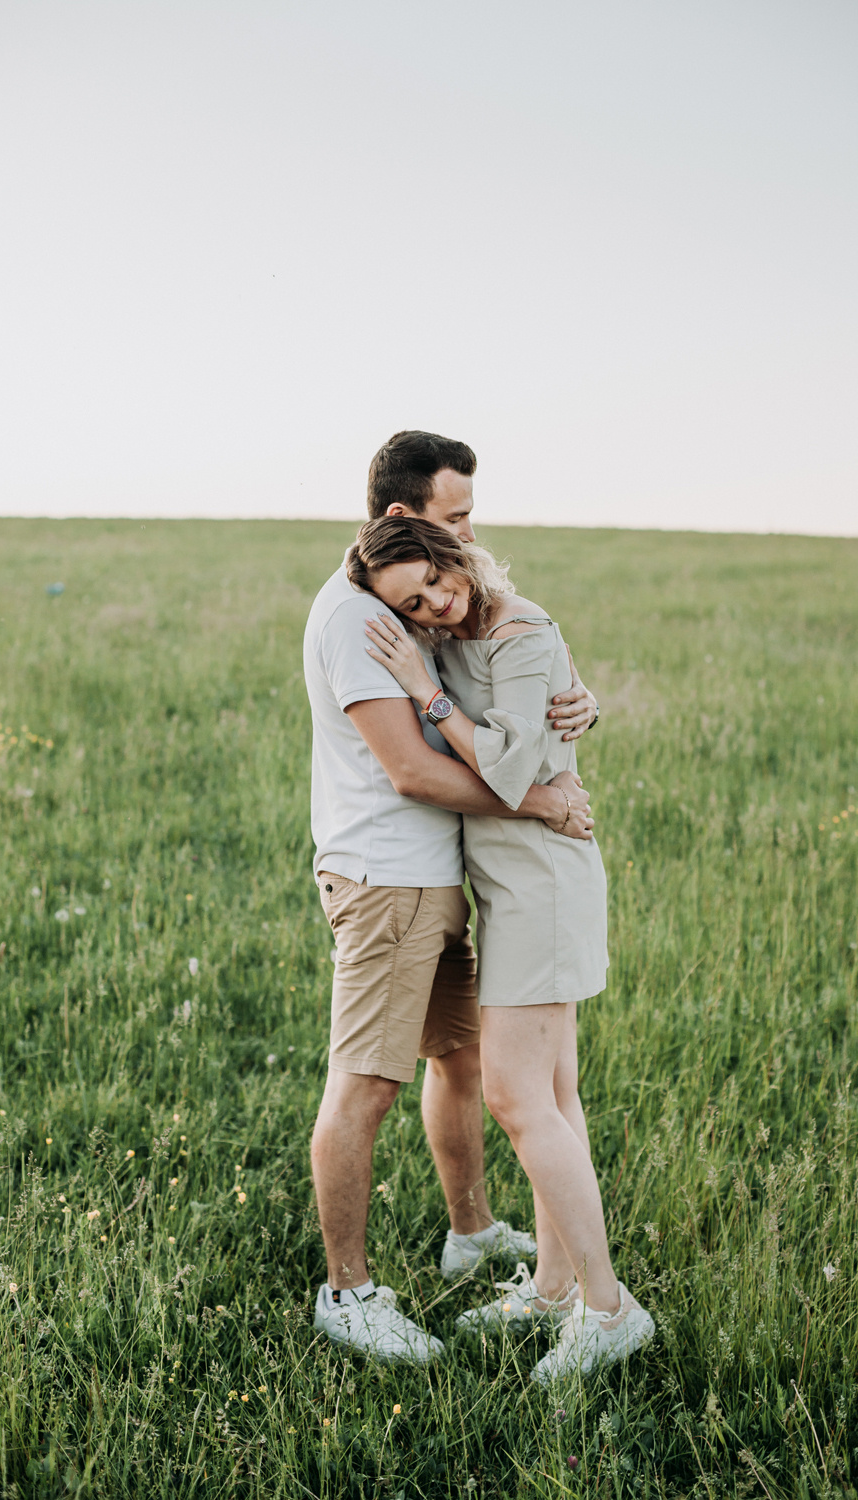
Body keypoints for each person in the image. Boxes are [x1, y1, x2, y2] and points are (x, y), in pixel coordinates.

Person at [305, 432, 600, 1365]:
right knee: (366, 1085)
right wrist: (541, 797)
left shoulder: (424, 600)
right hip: (389, 880)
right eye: (456, 515)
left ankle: (473, 1232)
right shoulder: (365, 620)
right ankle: (348, 1293)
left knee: (463, 1064)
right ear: (403, 519)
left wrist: (570, 692)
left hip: (445, 882)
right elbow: (412, 774)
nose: (469, 534)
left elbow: (507, 668)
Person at [348, 514, 655, 1384]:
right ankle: (557, 1289)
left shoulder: (519, 630)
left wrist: (429, 691)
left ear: (455, 557)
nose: (438, 606)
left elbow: (510, 772)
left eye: (438, 582)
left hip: (544, 882)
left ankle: (609, 1308)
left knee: (519, 1096)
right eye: (415, 604)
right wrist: (434, 664)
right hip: (509, 884)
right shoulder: (452, 634)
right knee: (555, 1093)